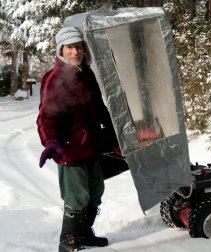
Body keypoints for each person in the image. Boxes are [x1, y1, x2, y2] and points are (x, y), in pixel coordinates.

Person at [36, 26, 116, 251]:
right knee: (76, 197)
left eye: (79, 46)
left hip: (92, 147)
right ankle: (68, 240)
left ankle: (84, 234)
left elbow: (99, 109)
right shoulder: (54, 78)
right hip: (70, 150)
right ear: (61, 49)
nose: (75, 52)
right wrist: (51, 141)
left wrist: (113, 135)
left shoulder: (86, 73)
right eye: (70, 47)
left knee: (95, 194)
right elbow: (47, 115)